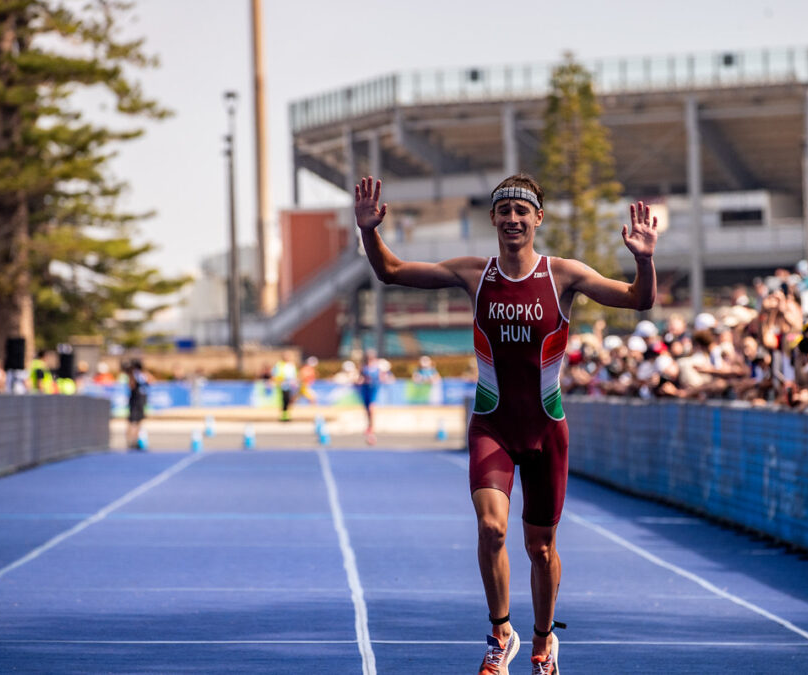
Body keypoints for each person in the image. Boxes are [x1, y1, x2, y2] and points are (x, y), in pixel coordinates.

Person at [355, 173, 657, 674]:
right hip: (492, 426)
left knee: (541, 549)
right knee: (492, 527)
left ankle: (543, 642)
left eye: (523, 211)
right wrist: (369, 232)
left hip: (546, 431)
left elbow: (638, 300)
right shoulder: (475, 273)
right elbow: (391, 271)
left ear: (537, 218)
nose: (513, 220)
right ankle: (501, 634)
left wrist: (644, 261)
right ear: (493, 218)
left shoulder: (565, 276)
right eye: (504, 211)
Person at [357, 348, 384, 444]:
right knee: (367, 409)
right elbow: (360, 378)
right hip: (365, 389)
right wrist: (362, 381)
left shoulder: (377, 366)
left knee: (372, 408)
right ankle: (369, 425)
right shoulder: (363, 367)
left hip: (374, 389)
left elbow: (382, 377)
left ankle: (372, 427)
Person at [124, 359, 150, 450]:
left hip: (137, 401)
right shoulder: (137, 375)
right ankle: (132, 441)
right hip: (136, 401)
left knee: (135, 422)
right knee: (134, 422)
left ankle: (134, 441)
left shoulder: (134, 375)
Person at [272, 354, 299, 421]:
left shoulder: (291, 365)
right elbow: (275, 374)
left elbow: (294, 375)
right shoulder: (279, 365)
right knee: (284, 400)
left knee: (289, 400)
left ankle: (286, 415)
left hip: (290, 385)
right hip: (283, 385)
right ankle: (284, 415)